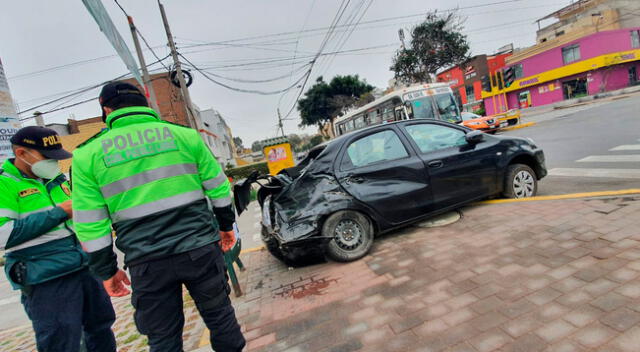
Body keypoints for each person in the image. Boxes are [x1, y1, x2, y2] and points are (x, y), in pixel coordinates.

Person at [71, 81, 246, 352]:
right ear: (146, 104)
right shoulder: (184, 137)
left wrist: (107, 271)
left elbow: (91, 225)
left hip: (147, 261)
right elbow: (219, 188)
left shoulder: (87, 156)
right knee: (221, 318)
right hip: (199, 248)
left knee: (163, 339)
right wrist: (225, 226)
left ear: (106, 109)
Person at [0, 126, 116, 352]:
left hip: (84, 267)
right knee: (61, 341)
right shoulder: (5, 184)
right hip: (46, 277)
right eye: (48, 157)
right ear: (22, 153)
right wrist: (60, 212)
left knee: (101, 329)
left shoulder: (57, 180)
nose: (54, 163)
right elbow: (4, 234)